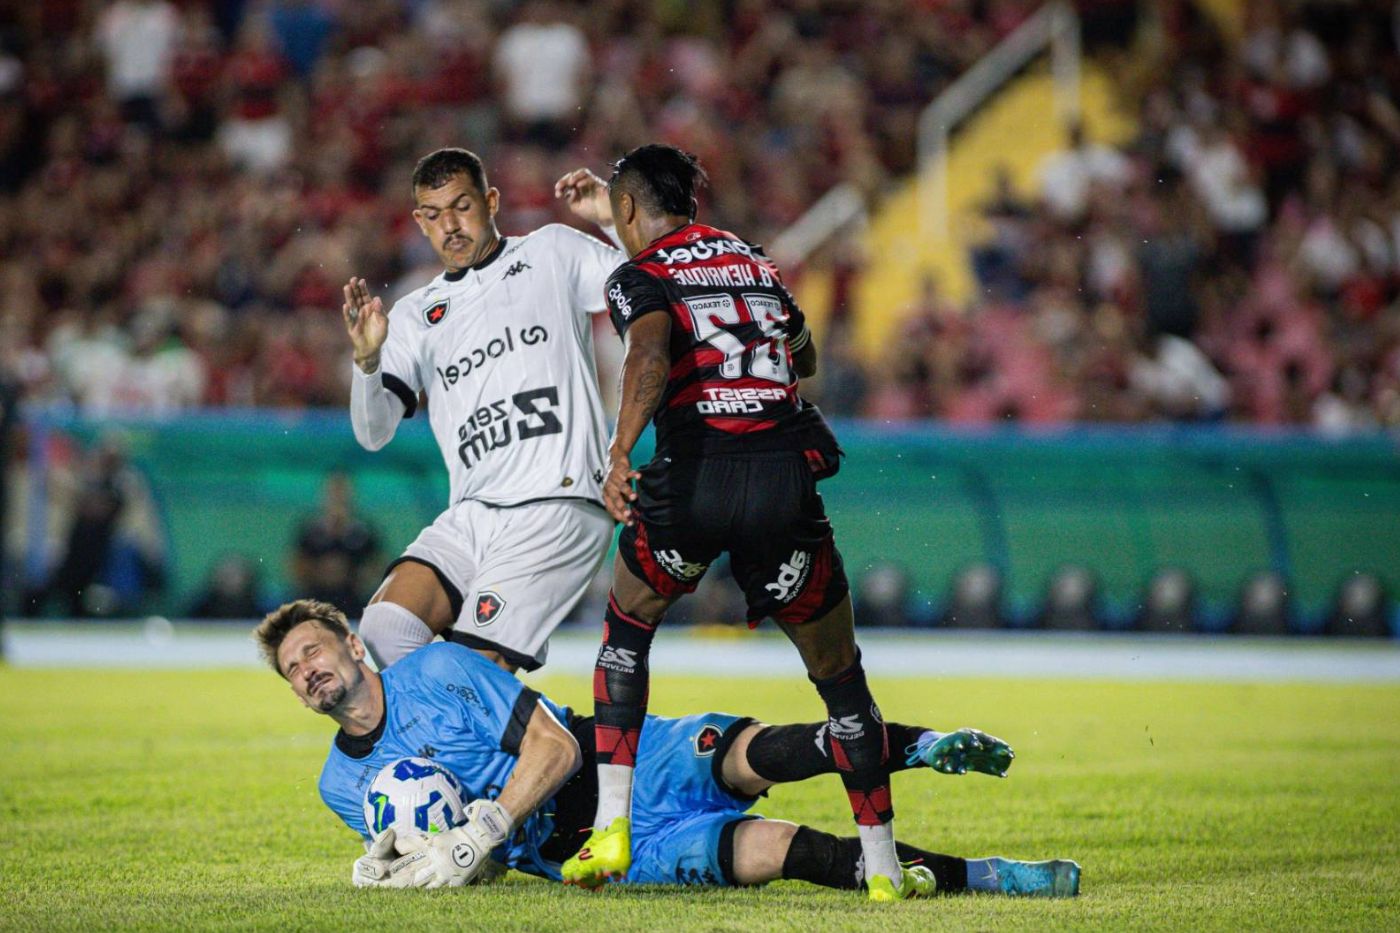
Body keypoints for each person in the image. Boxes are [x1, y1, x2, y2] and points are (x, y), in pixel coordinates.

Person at [562, 144, 926, 898]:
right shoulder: (752, 261)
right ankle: (885, 868)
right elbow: (805, 354)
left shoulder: (639, 275)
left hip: (696, 476)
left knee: (628, 627)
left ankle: (611, 830)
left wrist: (619, 450)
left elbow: (650, 355)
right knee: (841, 678)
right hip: (781, 479)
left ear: (628, 210)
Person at [254, 598, 1080, 897]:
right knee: (780, 851)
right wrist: (408, 866)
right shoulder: (339, 785)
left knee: (757, 751)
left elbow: (554, 746)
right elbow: (473, 862)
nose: (308, 673)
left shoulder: (437, 667)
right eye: (293, 671)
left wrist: (485, 824)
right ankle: (993, 876)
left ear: (355, 645)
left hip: (616, 763)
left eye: (314, 652)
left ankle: (928, 744)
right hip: (586, 853)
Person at [341, 147, 623, 673]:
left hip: (554, 502)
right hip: (471, 513)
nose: (450, 225)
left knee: (474, 672)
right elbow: (373, 433)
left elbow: (650, 284)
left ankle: (538, 748)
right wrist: (366, 361)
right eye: (434, 214)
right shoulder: (413, 314)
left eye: (462, 206)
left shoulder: (551, 251)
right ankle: (530, 740)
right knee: (383, 632)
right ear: (419, 222)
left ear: (491, 201)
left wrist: (610, 219)